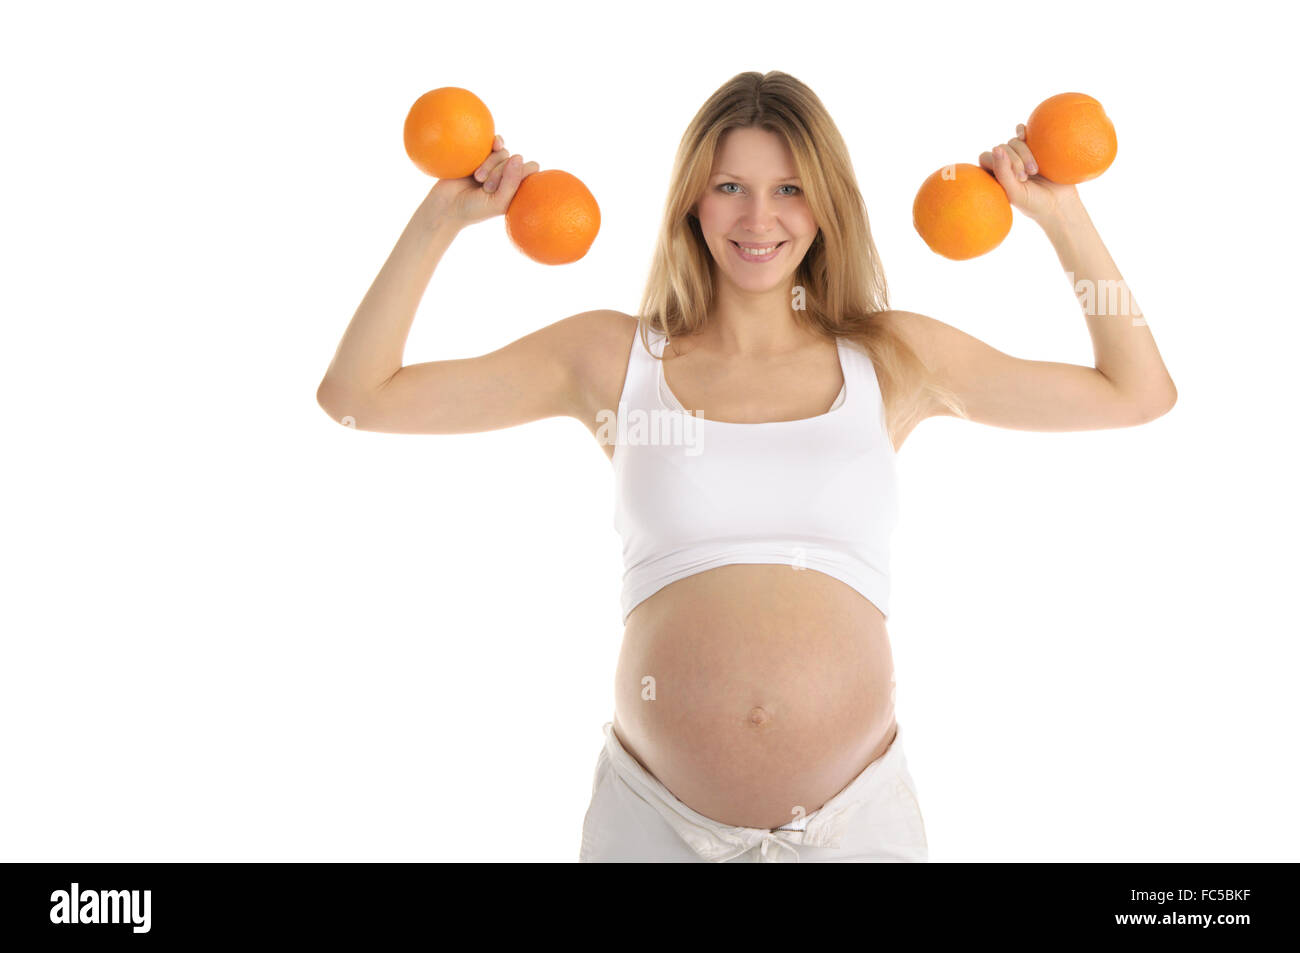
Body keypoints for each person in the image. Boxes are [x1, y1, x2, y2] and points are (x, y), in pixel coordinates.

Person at [316, 71, 1177, 863]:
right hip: (653, 826)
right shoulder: (613, 358)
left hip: (855, 826)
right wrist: (441, 217)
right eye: (730, 186)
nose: (757, 218)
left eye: (788, 189)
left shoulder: (897, 358)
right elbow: (360, 395)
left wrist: (1059, 212)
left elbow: (1136, 394)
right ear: (692, 201)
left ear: (825, 205)